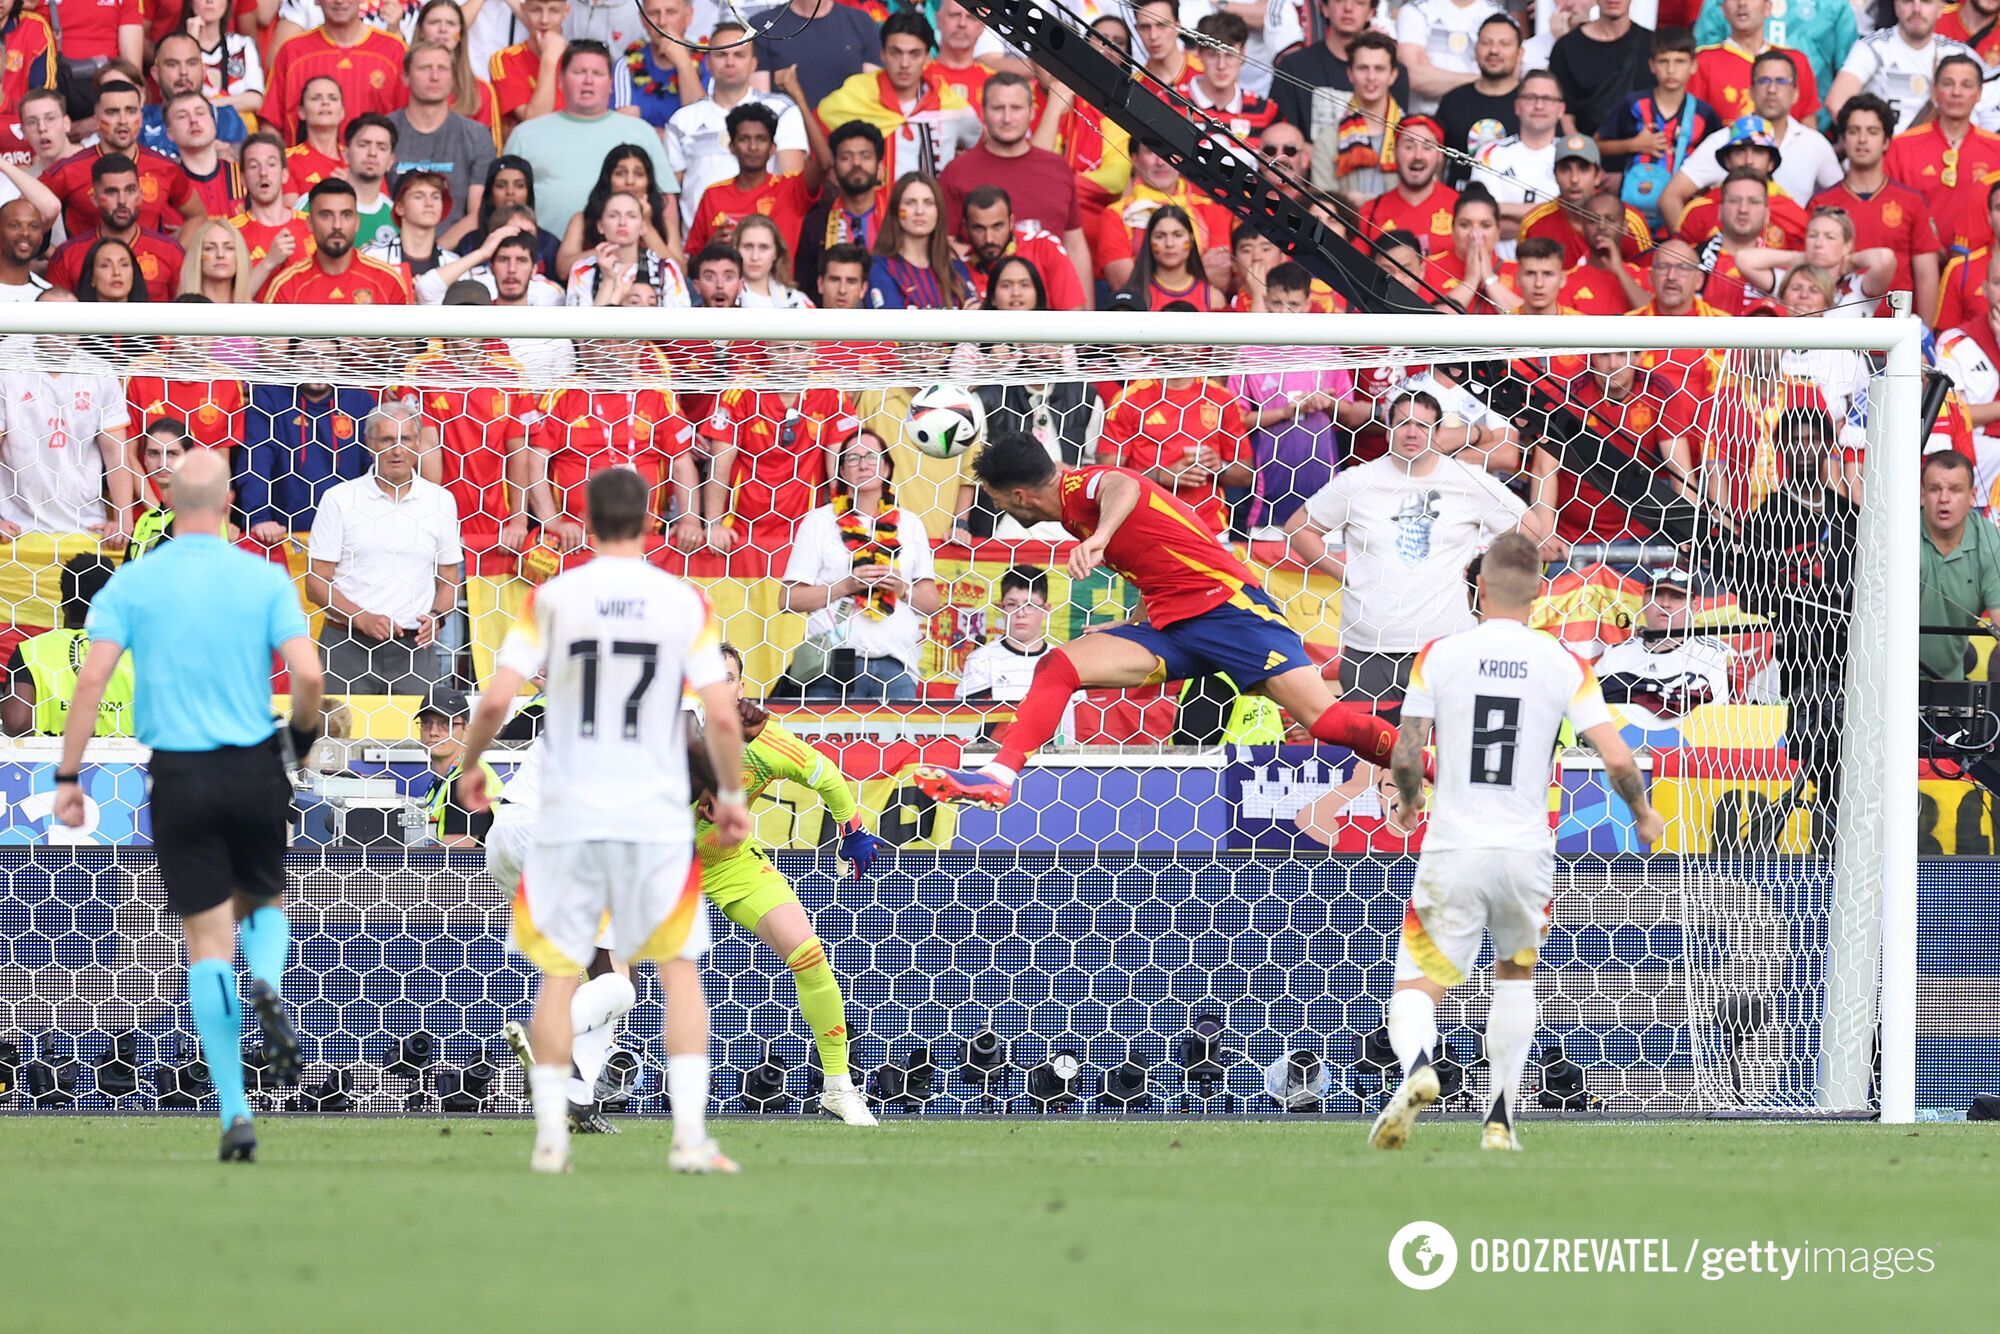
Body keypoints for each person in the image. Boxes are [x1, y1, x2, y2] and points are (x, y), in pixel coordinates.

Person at [457, 468, 749, 1175]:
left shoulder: (552, 597)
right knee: (676, 972)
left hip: (544, 816)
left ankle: (557, 1131)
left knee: (572, 972)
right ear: (651, 522)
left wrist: (471, 763)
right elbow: (715, 712)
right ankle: (688, 1139)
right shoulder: (682, 600)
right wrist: (732, 793)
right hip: (641, 818)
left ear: (583, 523)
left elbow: (495, 699)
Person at [54, 450, 325, 1164]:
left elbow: (92, 681)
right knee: (265, 905)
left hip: (178, 773)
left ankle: (235, 1114)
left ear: (166, 498)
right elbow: (308, 672)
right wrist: (297, 738)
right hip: (252, 765)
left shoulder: (135, 582)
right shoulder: (262, 576)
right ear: (231, 499)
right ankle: (267, 980)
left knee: (206, 945)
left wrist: (68, 774)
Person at [913, 431, 1407, 810]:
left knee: (1327, 722)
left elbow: (1123, 482)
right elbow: (1159, 564)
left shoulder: (1080, 487)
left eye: (995, 497)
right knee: (1058, 667)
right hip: (1173, 625)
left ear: (1019, 494)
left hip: (1231, 614)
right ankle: (999, 777)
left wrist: (1101, 536)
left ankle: (1428, 767)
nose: (993, 505)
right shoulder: (1069, 514)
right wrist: (1130, 621)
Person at [1370, 531, 1662, 1153]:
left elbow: (1405, 748)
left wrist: (1411, 798)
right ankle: (1500, 1118)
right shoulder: (1565, 663)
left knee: (1419, 984)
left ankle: (1420, 1065)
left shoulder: (1438, 654)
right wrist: (1643, 815)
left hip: (1452, 847)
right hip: (1526, 852)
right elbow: (1616, 758)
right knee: (1514, 975)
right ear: (1538, 593)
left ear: (1478, 585)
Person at [684, 644, 885, 1126]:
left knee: (809, 953)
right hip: (657, 866)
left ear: (741, 687)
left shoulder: (766, 741)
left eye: (727, 677)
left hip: (728, 863)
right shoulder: (666, 731)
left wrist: (851, 830)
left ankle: (838, 1087)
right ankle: (585, 1071)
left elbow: (826, 776)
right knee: (608, 968)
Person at [1283, 391, 1530, 714]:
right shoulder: (1358, 481)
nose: (1412, 432)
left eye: (1423, 425)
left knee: (1444, 758)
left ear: (1439, 433)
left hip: (1446, 649)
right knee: (1372, 758)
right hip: (1368, 651)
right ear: (1388, 429)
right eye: (1403, 423)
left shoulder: (1468, 481)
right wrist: (1345, 573)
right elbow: (1298, 528)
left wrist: (1480, 572)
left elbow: (1528, 531)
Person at [1701, 406, 1853, 850]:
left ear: (1828, 447)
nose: (1805, 451)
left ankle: (1838, 852)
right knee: (1812, 760)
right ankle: (1815, 858)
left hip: (1851, 658)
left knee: (1846, 769)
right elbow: (1749, 592)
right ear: (1781, 450)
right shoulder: (1768, 516)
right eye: (1796, 442)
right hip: (1800, 661)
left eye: (1813, 441)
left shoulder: (1850, 516)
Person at [305, 402, 463, 695]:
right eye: (387, 440)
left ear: (418, 444)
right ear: (370, 445)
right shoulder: (339, 499)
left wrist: (437, 616)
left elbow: (450, 581)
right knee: (338, 738)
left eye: (405, 439)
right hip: (347, 648)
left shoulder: (441, 501)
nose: (397, 450)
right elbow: (315, 583)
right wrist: (361, 618)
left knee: (414, 739)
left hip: (414, 651)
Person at [779, 431, 942, 701]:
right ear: (841, 469)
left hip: (897, 666)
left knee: (898, 744)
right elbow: (788, 599)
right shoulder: (819, 521)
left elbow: (931, 603)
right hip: (833, 666)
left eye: (872, 457)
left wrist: (901, 588)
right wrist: (847, 585)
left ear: (887, 467)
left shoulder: (911, 524)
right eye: (853, 458)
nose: (863, 464)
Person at [502, 40, 674, 235]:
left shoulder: (640, 132)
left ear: (611, 84)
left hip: (622, 256)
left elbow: (665, 201)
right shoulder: (525, 134)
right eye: (579, 72)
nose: (588, 81)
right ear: (560, 80)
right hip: (537, 256)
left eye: (598, 74)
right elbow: (502, 201)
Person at [941, 72, 1090, 295]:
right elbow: (943, 246)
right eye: (998, 108)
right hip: (984, 307)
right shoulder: (957, 171)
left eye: (1016, 108)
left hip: (1052, 309)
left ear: (1031, 112)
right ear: (983, 113)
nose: (1007, 118)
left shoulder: (1058, 168)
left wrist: (1087, 317)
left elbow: (1075, 245)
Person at [1231, 262, 1350, 534]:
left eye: (1294, 304)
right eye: (1276, 303)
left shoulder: (1325, 349)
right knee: (1266, 561)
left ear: (1308, 305)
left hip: (1322, 478)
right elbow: (1236, 419)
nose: (1285, 312)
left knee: (1321, 558)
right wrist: (1285, 413)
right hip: (1269, 483)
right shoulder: (1249, 352)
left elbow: (1351, 413)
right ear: (1265, 301)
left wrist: (1327, 402)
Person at [663, 21, 807, 229]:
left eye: (739, 55)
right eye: (721, 54)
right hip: (702, 246)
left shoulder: (781, 110)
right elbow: (669, 195)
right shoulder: (682, 120)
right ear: (708, 63)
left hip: (764, 243)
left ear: (753, 64)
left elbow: (791, 185)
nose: (730, 62)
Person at [0, 318, 135, 541]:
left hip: (88, 525)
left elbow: (116, 456)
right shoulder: (8, 370)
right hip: (18, 527)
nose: (62, 332)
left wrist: (124, 521)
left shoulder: (99, 372)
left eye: (69, 323)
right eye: (53, 321)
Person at [1812, 94, 1938, 321]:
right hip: (1834, 335)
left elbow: (1927, 275)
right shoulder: (1821, 203)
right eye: (1853, 131)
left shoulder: (1911, 202)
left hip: (1894, 335)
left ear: (1886, 141)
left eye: (1872, 132)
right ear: (1843, 138)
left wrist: (1923, 334)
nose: (1862, 139)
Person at [818, 10, 979, 181]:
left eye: (914, 54)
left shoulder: (951, 107)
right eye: (896, 52)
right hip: (871, 207)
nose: (904, 64)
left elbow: (983, 147)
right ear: (882, 54)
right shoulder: (855, 96)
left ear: (926, 57)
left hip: (932, 206)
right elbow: (817, 135)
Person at [1097, 358, 1250, 535]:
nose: (1180, 341)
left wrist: (1219, 468)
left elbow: (1246, 475)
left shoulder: (1221, 398)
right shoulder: (1129, 399)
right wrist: (1161, 475)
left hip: (1208, 529)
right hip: (1144, 527)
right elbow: (1107, 475)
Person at [41, 82, 203, 240]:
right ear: (96, 120)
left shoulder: (165, 167)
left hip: (147, 265)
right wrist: (56, 256)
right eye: (112, 112)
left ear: (140, 117)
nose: (123, 120)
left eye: (131, 111)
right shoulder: (68, 170)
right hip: (88, 266)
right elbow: (23, 214)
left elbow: (197, 215)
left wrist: (174, 256)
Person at [2, 553, 134, 737]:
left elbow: (17, 723)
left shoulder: (31, 651)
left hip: (48, 762)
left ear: (64, 605)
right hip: (128, 762)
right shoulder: (137, 650)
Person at [1598, 28, 1720, 225]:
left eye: (1679, 62)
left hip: (1683, 212)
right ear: (1652, 65)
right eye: (1664, 62)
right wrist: (1633, 145)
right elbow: (1597, 145)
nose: (1671, 70)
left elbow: (1718, 161)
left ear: (1693, 66)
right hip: (1632, 214)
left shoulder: (1704, 113)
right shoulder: (1633, 104)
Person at [1882, 55, 2000, 256]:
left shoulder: (1996, 149)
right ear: (1935, 90)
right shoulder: (1902, 146)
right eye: (1948, 84)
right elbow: (1886, 209)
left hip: (1978, 273)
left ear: (1979, 93)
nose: (1956, 92)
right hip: (1915, 262)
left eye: (1966, 85)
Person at [1593, 567, 1736, 730]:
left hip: (1690, 747)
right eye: (1657, 595)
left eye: (1676, 597)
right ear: (1644, 601)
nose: (1665, 604)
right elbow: (1589, 708)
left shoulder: (1716, 653)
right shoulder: (1614, 654)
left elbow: (1719, 717)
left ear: (1693, 606)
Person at [390, 40, 499, 247]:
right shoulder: (383, 133)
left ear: (453, 78)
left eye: (442, 68)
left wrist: (435, 254)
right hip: (390, 251)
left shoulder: (476, 136)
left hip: (453, 254)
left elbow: (478, 213)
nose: (434, 76)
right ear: (405, 77)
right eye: (424, 68)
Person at [682, 97, 819, 256]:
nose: (752, 147)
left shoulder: (790, 189)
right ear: (732, 147)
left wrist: (800, 100)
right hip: (726, 281)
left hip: (779, 281)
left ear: (772, 148)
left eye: (760, 139)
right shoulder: (713, 195)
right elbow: (691, 264)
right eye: (744, 139)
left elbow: (825, 162)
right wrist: (711, 248)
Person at [1828, 0, 1985, 136]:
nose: (1916, 9)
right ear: (1896, 6)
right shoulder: (1873, 47)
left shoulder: (1962, 55)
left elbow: (1986, 114)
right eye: (1907, 1)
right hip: (1884, 159)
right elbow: (1836, 103)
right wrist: (1870, 142)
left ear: (1940, 8)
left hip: (1944, 157)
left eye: (1926, 2)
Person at [260, 0, 409, 142]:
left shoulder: (394, 50)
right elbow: (272, 123)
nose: (339, 1)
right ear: (316, 0)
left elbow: (409, 120)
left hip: (376, 166)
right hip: (303, 166)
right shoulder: (292, 52)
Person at [44, 155, 186, 301]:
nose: (122, 201)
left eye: (130, 190)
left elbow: (189, 312)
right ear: (94, 199)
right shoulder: (67, 255)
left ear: (141, 195)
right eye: (112, 192)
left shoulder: (171, 252)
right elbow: (52, 316)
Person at [1273, 0, 1414, 142]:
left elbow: (1399, 137)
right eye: (1339, 0)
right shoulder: (1293, 66)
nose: (1348, 8)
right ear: (1325, 8)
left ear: (1371, 13)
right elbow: (1279, 137)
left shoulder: (1393, 72)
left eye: (1359, 2)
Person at [1919, 451, 2000, 682]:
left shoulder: (1989, 540)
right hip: (1887, 685)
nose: (1944, 498)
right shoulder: (1901, 535)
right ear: (1922, 494)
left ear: (1972, 496)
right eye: (1935, 489)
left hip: (1950, 683)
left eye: (1954, 490)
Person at [264, 179, 412, 305]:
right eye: (326, 215)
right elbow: (270, 340)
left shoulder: (388, 280)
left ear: (357, 222)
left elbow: (406, 340)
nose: (337, 225)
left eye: (346, 215)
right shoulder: (287, 285)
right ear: (309, 223)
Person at [795, 121, 887, 306]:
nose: (856, 163)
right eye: (846, 157)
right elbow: (804, 287)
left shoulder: (897, 219)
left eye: (865, 156)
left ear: (879, 167)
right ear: (834, 169)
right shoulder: (815, 224)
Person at [1474, 70, 1566, 253]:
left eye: (1547, 99)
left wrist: (1504, 208)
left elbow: (1576, 218)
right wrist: (1550, 220)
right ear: (1517, 106)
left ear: (1561, 109)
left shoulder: (1571, 156)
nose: (1539, 105)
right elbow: (1481, 218)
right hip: (1499, 267)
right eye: (1531, 97)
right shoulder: (1490, 152)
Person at [1688, 0, 1820, 125]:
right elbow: (1693, 125)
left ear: (1768, 8)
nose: (1742, 3)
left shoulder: (1796, 61)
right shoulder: (1703, 62)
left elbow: (1808, 128)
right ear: (1723, 9)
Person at [1309, 31, 1403, 202]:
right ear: (1350, 74)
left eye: (1379, 69)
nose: (1371, 77)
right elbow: (1324, 206)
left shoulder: (1411, 136)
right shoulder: (1328, 139)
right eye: (1363, 68)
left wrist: (1357, 201)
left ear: (1393, 75)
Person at [1436, 12, 1522, 186]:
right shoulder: (1453, 101)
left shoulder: (1533, 104)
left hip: (1517, 206)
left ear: (1520, 53)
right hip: (1458, 205)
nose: (1494, 51)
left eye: (1504, 44)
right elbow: (1436, 163)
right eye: (1486, 43)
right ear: (1476, 49)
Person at [868, 171, 973, 309]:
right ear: (896, 210)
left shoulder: (955, 268)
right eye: (910, 203)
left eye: (928, 203)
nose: (919, 211)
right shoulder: (880, 267)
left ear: (938, 211)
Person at [1550, 0, 1655, 137]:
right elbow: (1563, 112)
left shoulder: (1652, 44)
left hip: (1643, 151)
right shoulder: (1566, 48)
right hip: (1584, 150)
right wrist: (1581, 151)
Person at [751, 0, 880, 107]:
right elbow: (761, 105)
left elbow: (873, 97)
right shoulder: (763, 26)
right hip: (787, 133)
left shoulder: (862, 22)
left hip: (850, 131)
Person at [1360, 116, 1459, 255]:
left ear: (1439, 155)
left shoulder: (1461, 207)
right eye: (1409, 147)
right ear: (1394, 152)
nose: (1418, 156)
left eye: (1427, 147)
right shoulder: (1371, 212)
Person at [1180, 12, 1282, 141]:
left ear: (1243, 54)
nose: (1221, 65)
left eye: (1229, 55)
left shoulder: (1267, 111)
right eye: (1213, 55)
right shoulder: (1169, 102)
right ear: (1199, 53)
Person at [142, 34, 248, 156]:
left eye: (191, 63)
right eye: (172, 64)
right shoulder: (139, 120)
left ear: (203, 71)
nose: (183, 72)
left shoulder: (226, 118)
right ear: (155, 74)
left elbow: (236, 169)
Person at [417, 687, 496, 848]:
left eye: (446, 723)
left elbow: (456, 861)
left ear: (467, 730)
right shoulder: (445, 780)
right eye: (426, 723)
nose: (433, 732)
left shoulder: (468, 781)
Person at [1397, 0, 1504, 116]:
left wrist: (1433, 76)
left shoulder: (1498, 15)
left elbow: (1506, 82)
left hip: (1477, 123)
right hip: (1425, 124)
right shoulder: (1415, 10)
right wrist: (1485, 80)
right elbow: (1413, 77)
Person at [619, 0, 705, 129]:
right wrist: (671, 138)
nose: (662, 22)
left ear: (688, 16)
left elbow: (700, 126)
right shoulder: (626, 65)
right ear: (642, 19)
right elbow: (627, 131)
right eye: (654, 13)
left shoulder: (711, 62)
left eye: (671, 12)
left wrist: (684, 64)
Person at [1119, 204, 1224, 310]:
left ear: (1191, 239)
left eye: (1177, 235)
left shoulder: (1213, 298)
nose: (1169, 243)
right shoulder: (1134, 296)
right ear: (1149, 241)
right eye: (1160, 236)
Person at [489, 0, 570, 131]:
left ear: (566, 12)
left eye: (553, 11)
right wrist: (549, 59)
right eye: (536, 10)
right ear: (523, 10)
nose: (544, 20)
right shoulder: (507, 59)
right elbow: (536, 123)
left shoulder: (577, 58)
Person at [335, 113, 400, 249]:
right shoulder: (311, 204)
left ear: (391, 161)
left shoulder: (397, 217)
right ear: (345, 154)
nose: (372, 153)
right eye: (363, 145)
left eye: (382, 148)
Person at [283, 76, 347, 197]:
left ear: (342, 112)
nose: (325, 103)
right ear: (301, 112)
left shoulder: (357, 160)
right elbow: (291, 211)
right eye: (316, 98)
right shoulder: (286, 159)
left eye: (332, 98)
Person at [0, 199, 52, 301]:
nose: (25, 233)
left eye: (33, 227)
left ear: (41, 237)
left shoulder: (47, 297)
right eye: (14, 225)